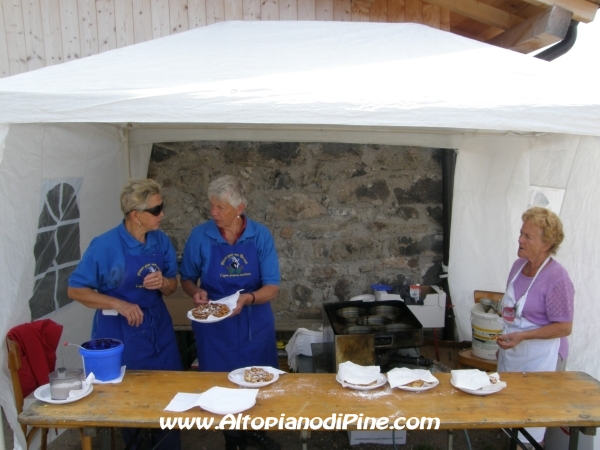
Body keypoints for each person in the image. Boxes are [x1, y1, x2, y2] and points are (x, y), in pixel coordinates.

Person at [68, 179, 182, 450]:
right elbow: (76, 290)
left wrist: (164, 284)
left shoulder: (160, 240)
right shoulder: (105, 246)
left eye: (161, 207)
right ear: (135, 215)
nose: (162, 214)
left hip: (158, 330)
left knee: (169, 396)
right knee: (131, 402)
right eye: (156, 210)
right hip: (121, 334)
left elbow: (172, 284)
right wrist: (117, 303)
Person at [180, 175, 281, 450]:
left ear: (240, 208)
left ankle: (254, 429)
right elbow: (187, 277)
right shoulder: (200, 236)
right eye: (212, 206)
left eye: (220, 207)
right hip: (215, 326)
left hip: (254, 323)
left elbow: (272, 287)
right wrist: (195, 293)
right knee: (221, 385)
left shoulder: (260, 235)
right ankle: (233, 438)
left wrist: (248, 298)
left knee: (257, 381)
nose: (213, 212)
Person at [497, 206, 574, 448]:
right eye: (521, 233)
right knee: (510, 416)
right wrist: (507, 337)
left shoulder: (557, 278)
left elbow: (564, 327)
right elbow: (511, 311)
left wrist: (523, 336)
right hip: (513, 354)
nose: (519, 239)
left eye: (527, 236)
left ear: (546, 244)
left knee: (531, 423)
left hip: (542, 361)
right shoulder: (518, 266)